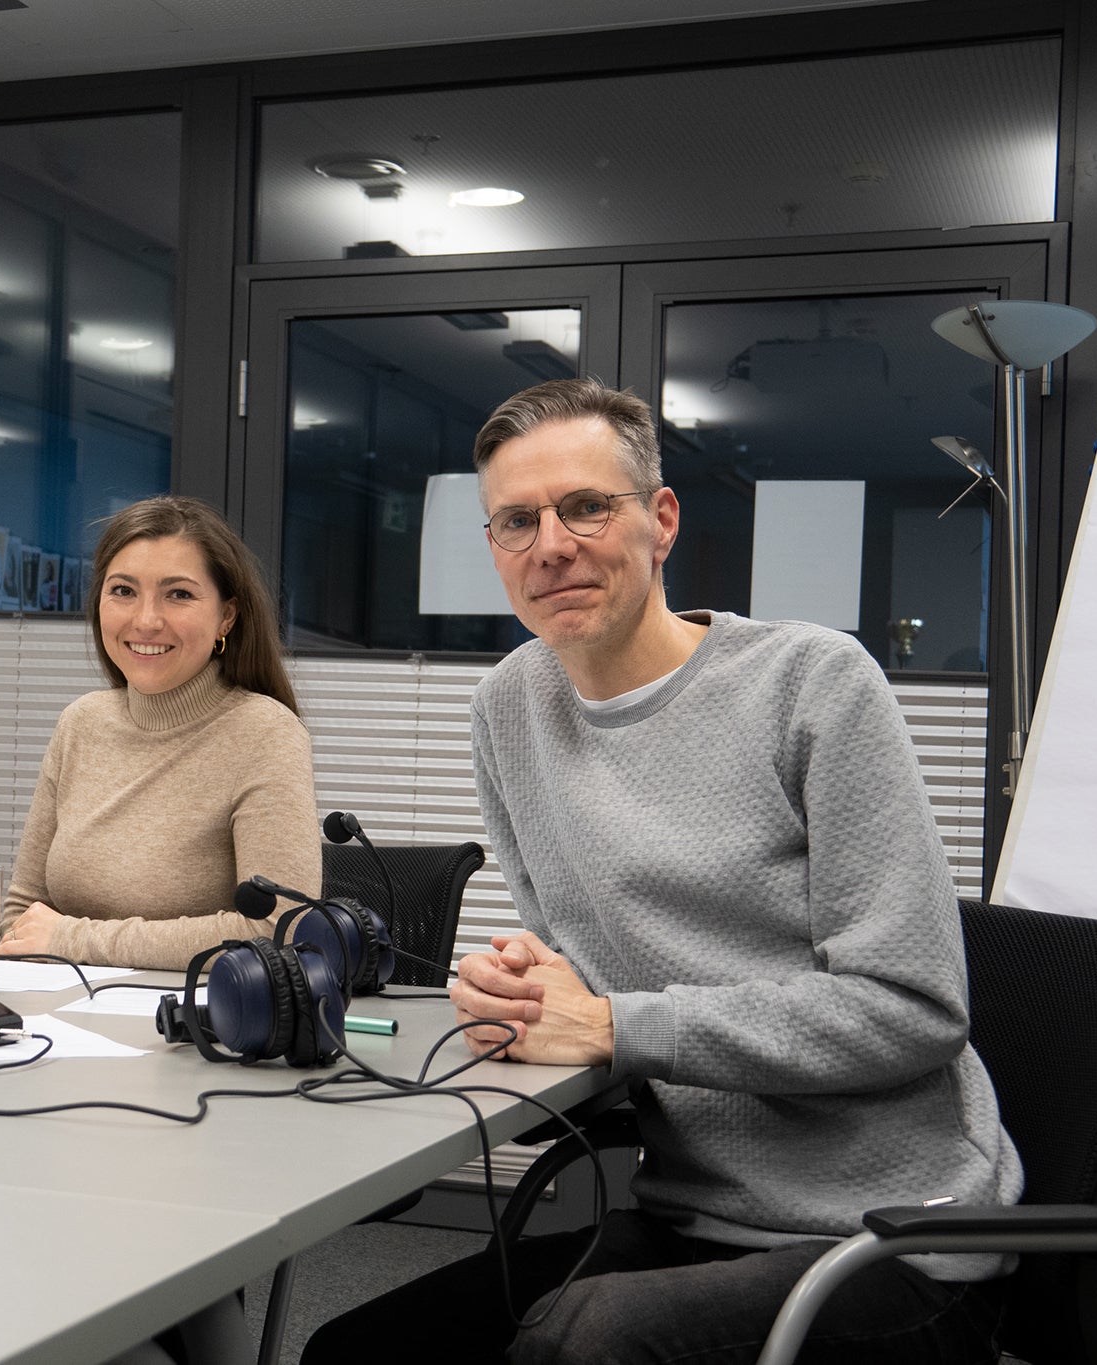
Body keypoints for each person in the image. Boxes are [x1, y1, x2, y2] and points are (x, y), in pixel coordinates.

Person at [302, 379, 1019, 1364]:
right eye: (517, 521)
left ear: (660, 521)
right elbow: (583, 962)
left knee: (582, 1344)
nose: (550, 544)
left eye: (585, 506)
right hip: (685, 1214)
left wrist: (608, 1022)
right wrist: (525, 988)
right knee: (359, 1350)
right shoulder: (506, 708)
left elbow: (910, 1009)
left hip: (889, 1237)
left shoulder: (808, 683)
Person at [0, 495, 319, 970]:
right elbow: (22, 915)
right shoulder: (80, 723)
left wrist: (74, 940)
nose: (146, 620)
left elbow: (281, 930)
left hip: (199, 1027)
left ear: (226, 616)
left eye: (179, 594)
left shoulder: (263, 732)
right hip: (66, 1021)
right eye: (123, 591)